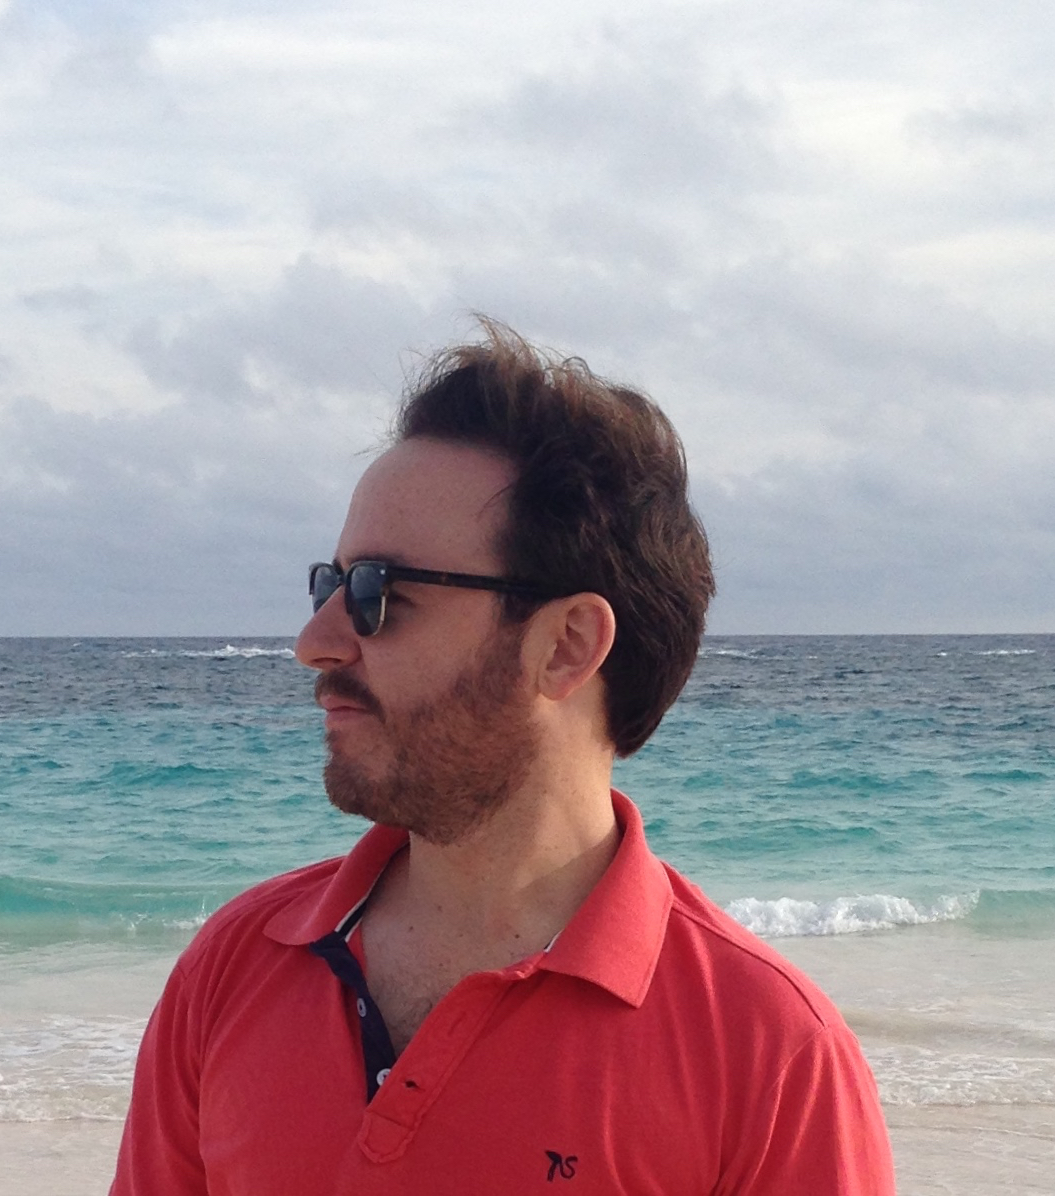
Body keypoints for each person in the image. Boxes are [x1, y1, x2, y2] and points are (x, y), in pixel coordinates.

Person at [111, 322, 896, 1194]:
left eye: (377, 593)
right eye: (328, 584)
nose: (314, 642)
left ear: (566, 646)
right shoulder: (235, 964)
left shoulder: (768, 1057)